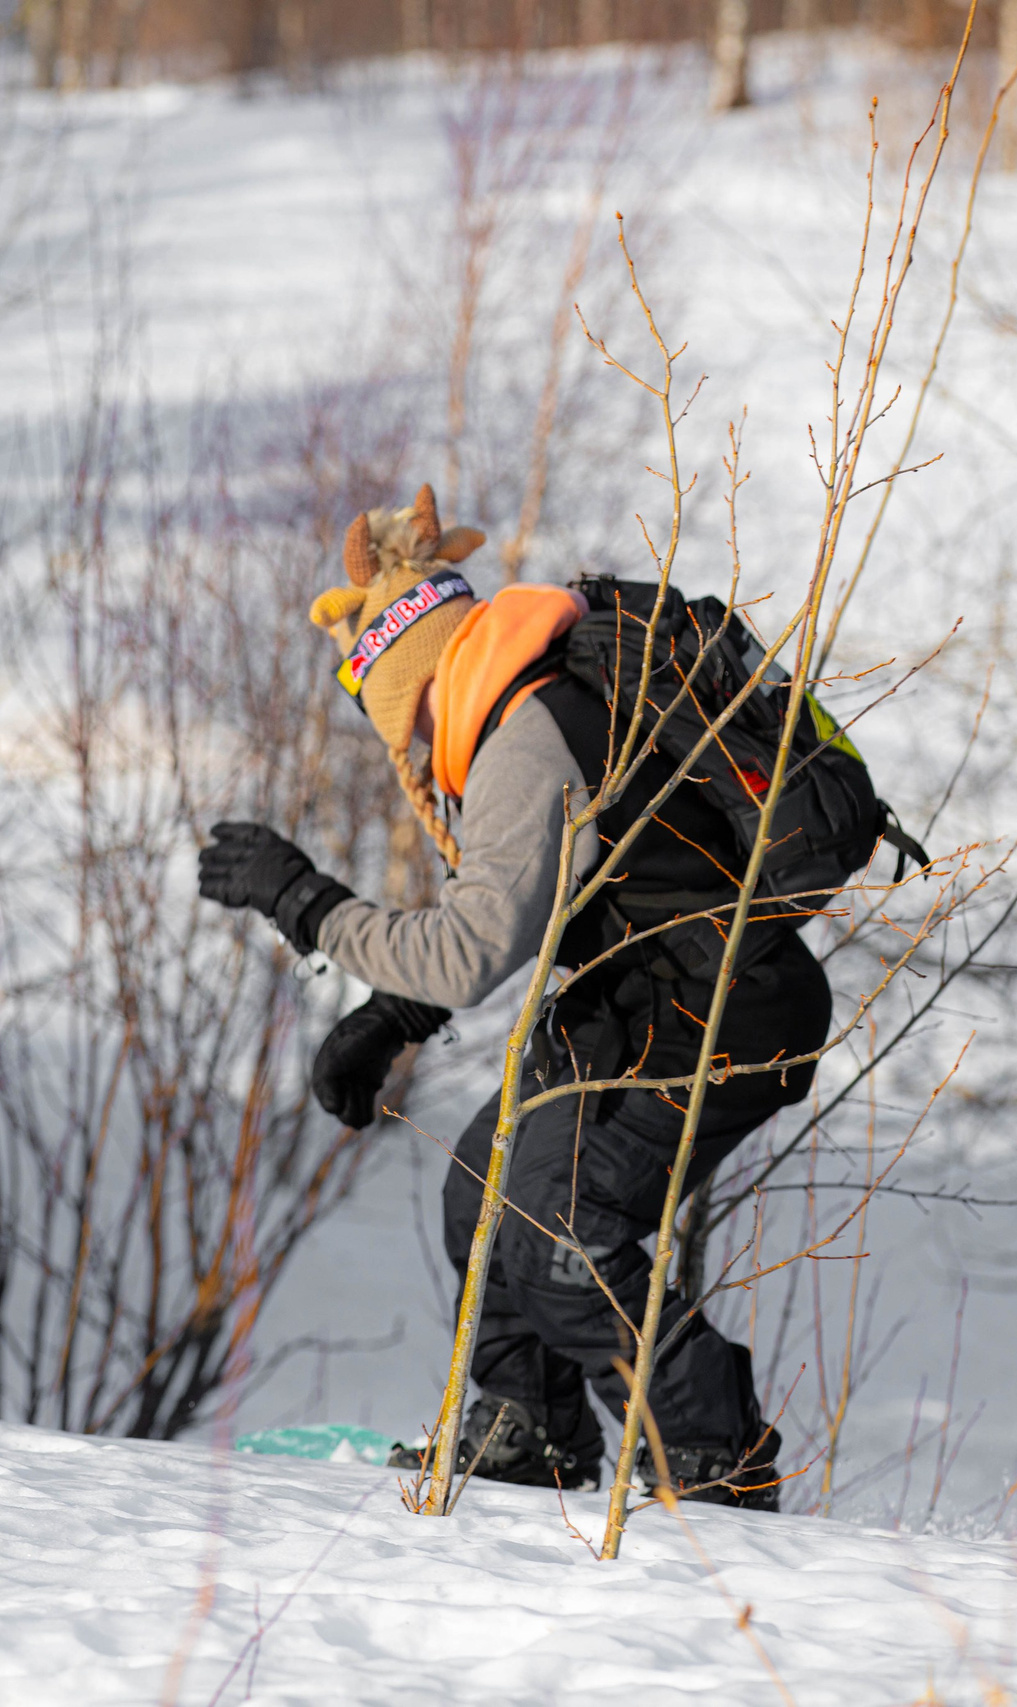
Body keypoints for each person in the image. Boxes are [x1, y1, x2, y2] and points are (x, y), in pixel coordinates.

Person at [197, 485, 832, 1506]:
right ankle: (524, 1429)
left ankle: (714, 1456)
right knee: (485, 1194)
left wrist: (304, 902)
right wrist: (394, 1016)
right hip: (653, 994)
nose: (404, 752)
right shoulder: (536, 696)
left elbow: (471, 950)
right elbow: (535, 903)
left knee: (557, 1225)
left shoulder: (520, 734)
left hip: (713, 1007)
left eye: (392, 723)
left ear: (411, 682)